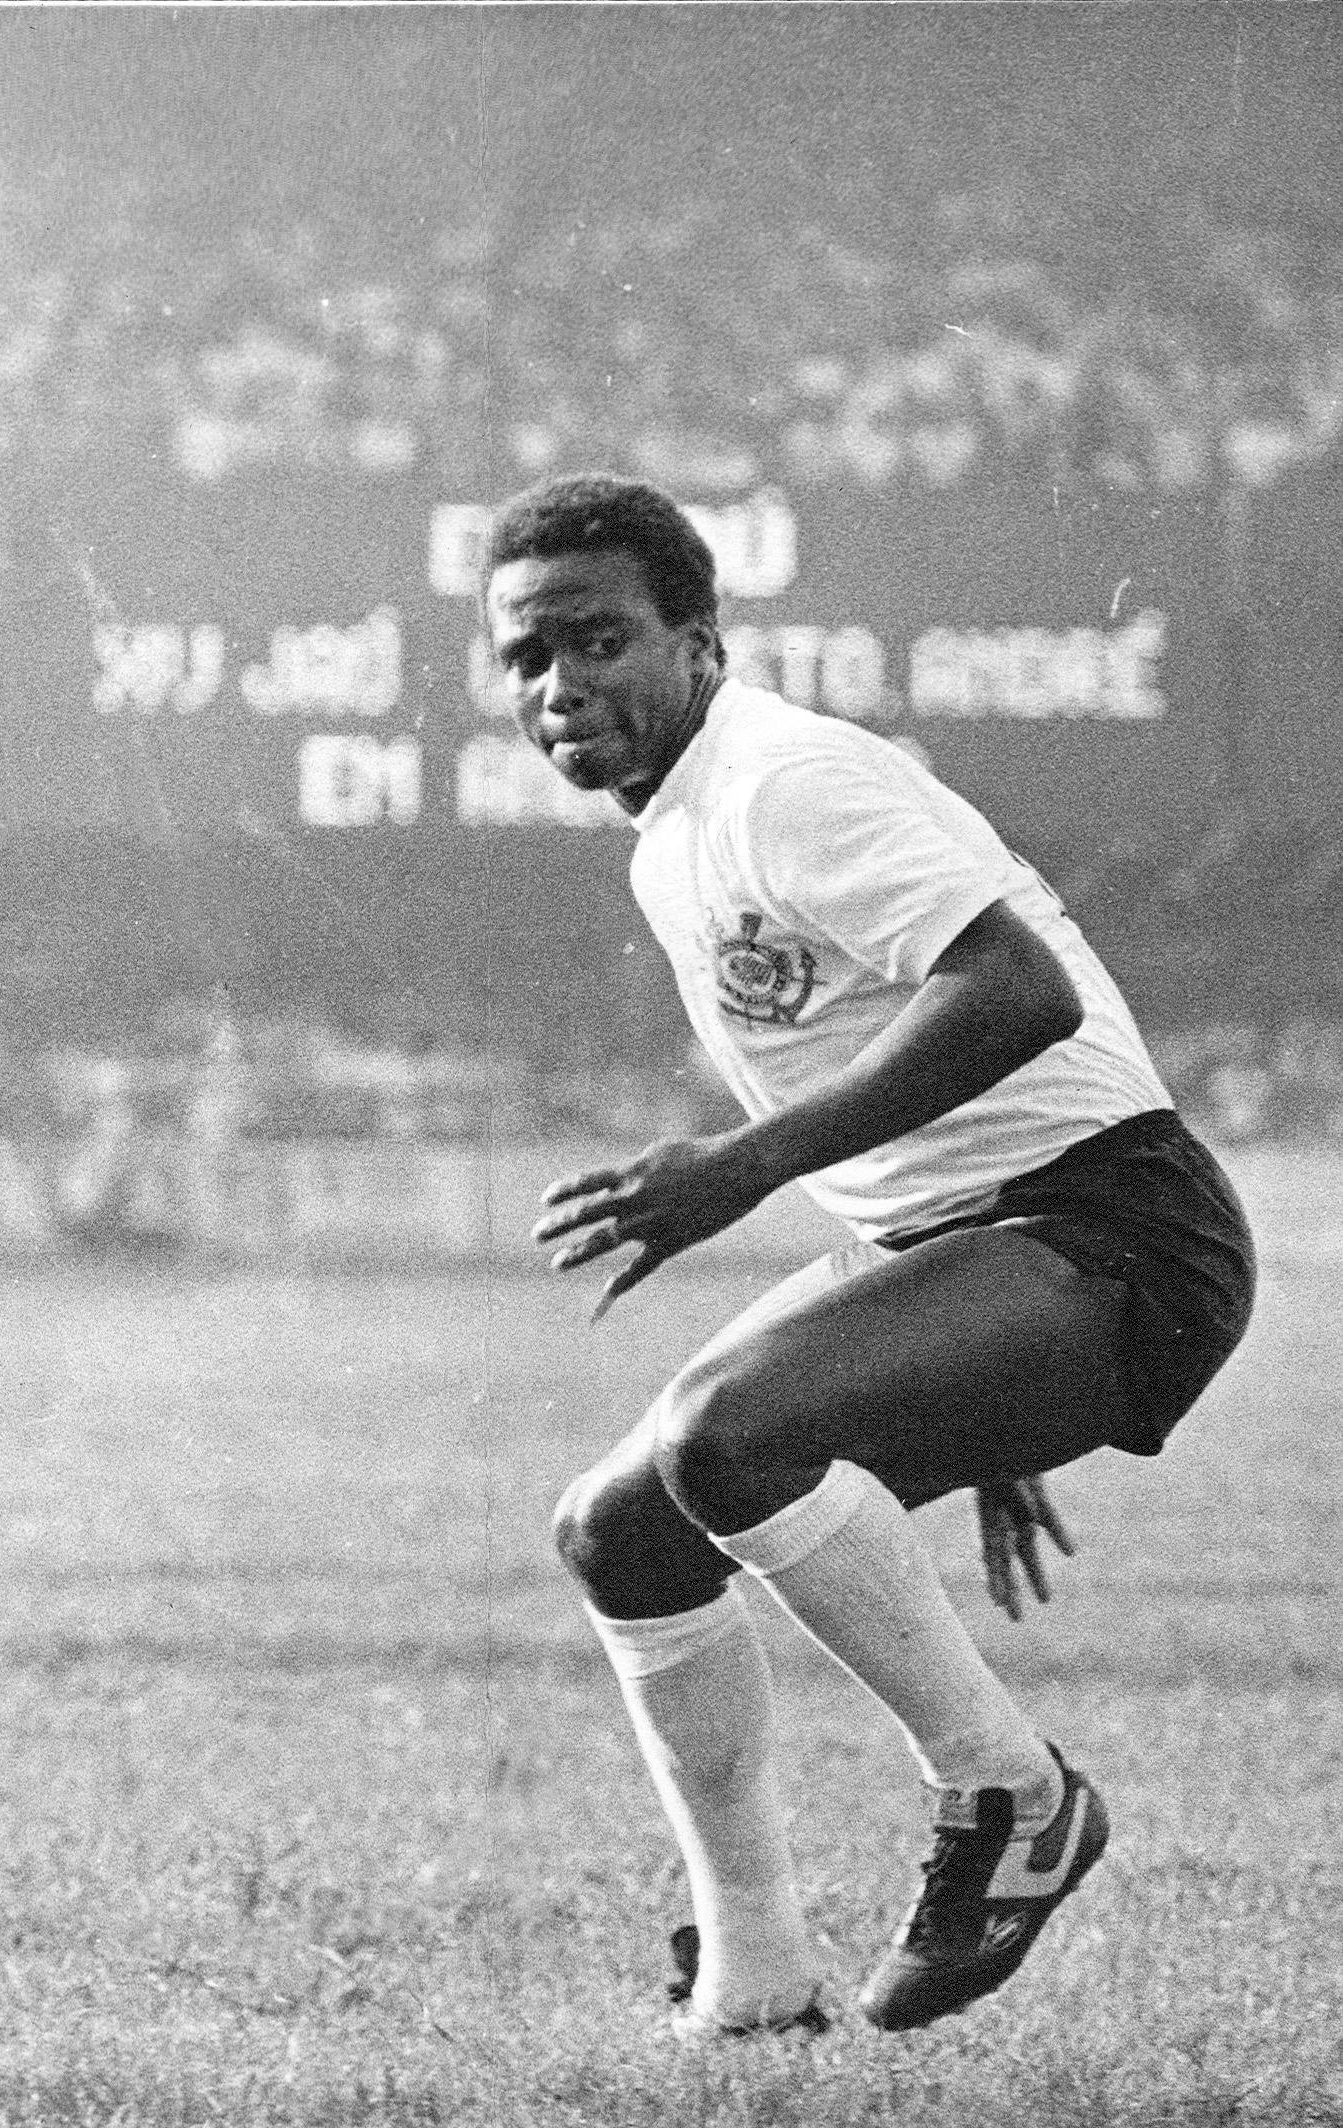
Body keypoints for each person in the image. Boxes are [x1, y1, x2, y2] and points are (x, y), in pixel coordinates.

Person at [482, 475, 1252, 2040]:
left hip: (1115, 1224)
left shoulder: (782, 784)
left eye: (597, 639)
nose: (558, 684)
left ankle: (1008, 1797)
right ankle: (752, 1976)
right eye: (524, 657)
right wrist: (957, 1380)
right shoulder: (673, 833)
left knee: (724, 1438)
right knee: (617, 1532)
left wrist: (739, 1166)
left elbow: (1017, 991)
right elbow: (909, 1122)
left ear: (700, 642)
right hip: (980, 1244)